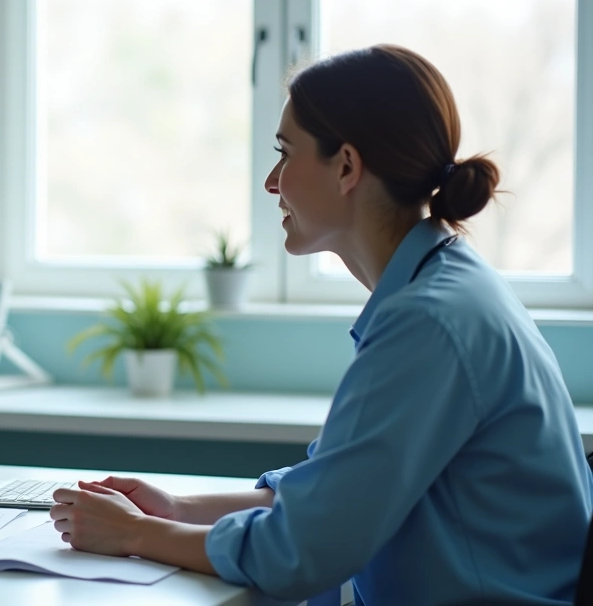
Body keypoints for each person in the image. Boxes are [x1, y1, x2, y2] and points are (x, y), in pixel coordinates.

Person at [50, 45, 593, 604]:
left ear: (347, 167)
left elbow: (302, 551)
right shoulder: (441, 285)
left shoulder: (429, 321)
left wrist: (137, 535)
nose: (271, 181)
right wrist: (175, 510)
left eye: (286, 154)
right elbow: (332, 495)